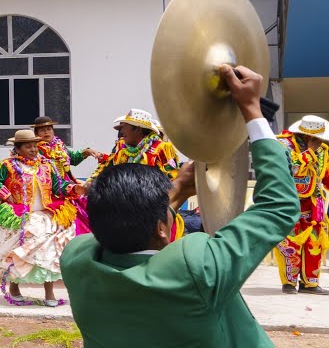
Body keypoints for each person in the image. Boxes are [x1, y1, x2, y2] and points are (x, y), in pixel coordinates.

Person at [61, 64, 299, 347]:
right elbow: (277, 206)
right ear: (162, 229)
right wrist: (252, 110)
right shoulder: (197, 269)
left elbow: (121, 226)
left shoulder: (77, 263)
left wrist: (174, 192)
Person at [0, 129, 82, 307]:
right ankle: (14, 288)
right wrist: (4, 193)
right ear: (18, 148)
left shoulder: (47, 165)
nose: (34, 150)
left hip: (44, 216)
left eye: (35, 146)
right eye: (28, 146)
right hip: (19, 215)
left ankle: (50, 293)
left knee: (50, 255)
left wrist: (75, 189)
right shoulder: (7, 166)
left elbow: (59, 185)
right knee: (16, 255)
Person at [273, 115, 329, 295]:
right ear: (306, 136)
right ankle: (289, 283)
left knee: (315, 243)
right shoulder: (283, 146)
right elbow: (292, 169)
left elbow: (325, 175)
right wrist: (310, 151)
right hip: (289, 203)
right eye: (318, 139)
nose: (321, 142)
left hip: (314, 205)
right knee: (290, 245)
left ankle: (310, 283)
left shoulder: (322, 151)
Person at [87, 109, 185, 241]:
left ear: (138, 129)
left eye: (125, 127)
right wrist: (92, 182)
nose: (121, 132)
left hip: (151, 213)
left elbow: (172, 180)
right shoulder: (121, 147)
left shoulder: (161, 148)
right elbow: (106, 167)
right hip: (124, 211)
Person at [33, 116, 95, 235]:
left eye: (49, 129)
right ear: (36, 134)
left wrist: (86, 152)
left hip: (66, 185)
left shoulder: (59, 145)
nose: (46, 132)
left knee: (84, 204)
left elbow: (73, 159)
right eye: (42, 130)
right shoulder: (35, 150)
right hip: (49, 188)